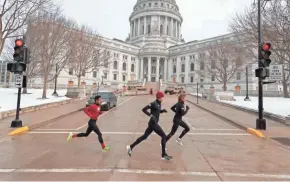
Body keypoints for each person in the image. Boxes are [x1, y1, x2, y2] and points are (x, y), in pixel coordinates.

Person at [126, 91, 173, 160]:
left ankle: (130, 147)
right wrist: (151, 115)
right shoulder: (153, 103)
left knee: (144, 137)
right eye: (162, 97)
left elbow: (157, 111)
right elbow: (144, 109)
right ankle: (163, 155)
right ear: (159, 97)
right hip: (153, 124)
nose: (163, 98)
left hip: (152, 124)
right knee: (164, 136)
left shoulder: (159, 103)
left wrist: (162, 111)